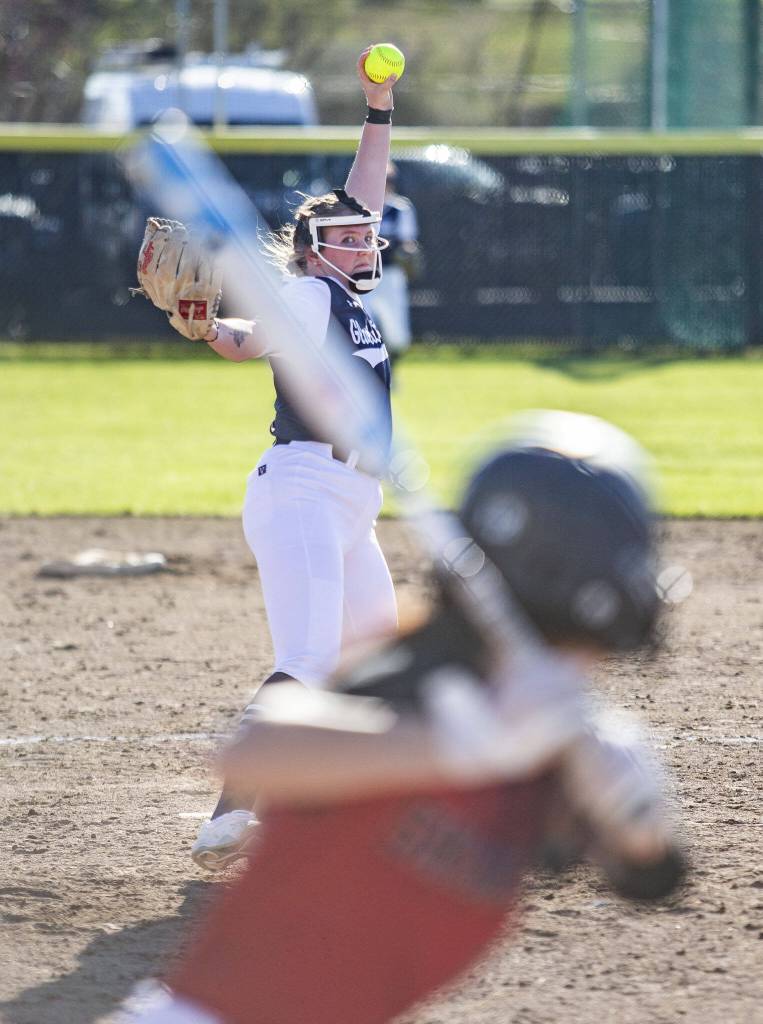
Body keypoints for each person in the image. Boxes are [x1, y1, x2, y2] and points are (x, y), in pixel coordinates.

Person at [121, 411, 687, 1024]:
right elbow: (253, 752)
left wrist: (641, 823)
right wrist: (463, 744)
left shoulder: (561, 739)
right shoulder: (417, 685)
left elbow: (650, 879)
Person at [136, 48, 404, 869]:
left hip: (349, 503)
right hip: (304, 492)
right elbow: (256, 335)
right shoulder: (308, 289)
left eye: (365, 235)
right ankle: (228, 815)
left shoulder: (335, 295)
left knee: (377, 661)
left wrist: (377, 110)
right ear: (314, 251)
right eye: (347, 238)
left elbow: (366, 188)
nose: (364, 242)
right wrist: (215, 328)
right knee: (310, 660)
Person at [366, 161, 421, 364]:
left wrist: (407, 253)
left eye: (389, 180)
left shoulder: (400, 209)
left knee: (397, 333)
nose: (385, 185)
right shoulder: (359, 209)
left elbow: (408, 242)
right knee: (363, 327)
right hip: (364, 275)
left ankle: (391, 371)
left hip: (390, 274)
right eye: (381, 180)